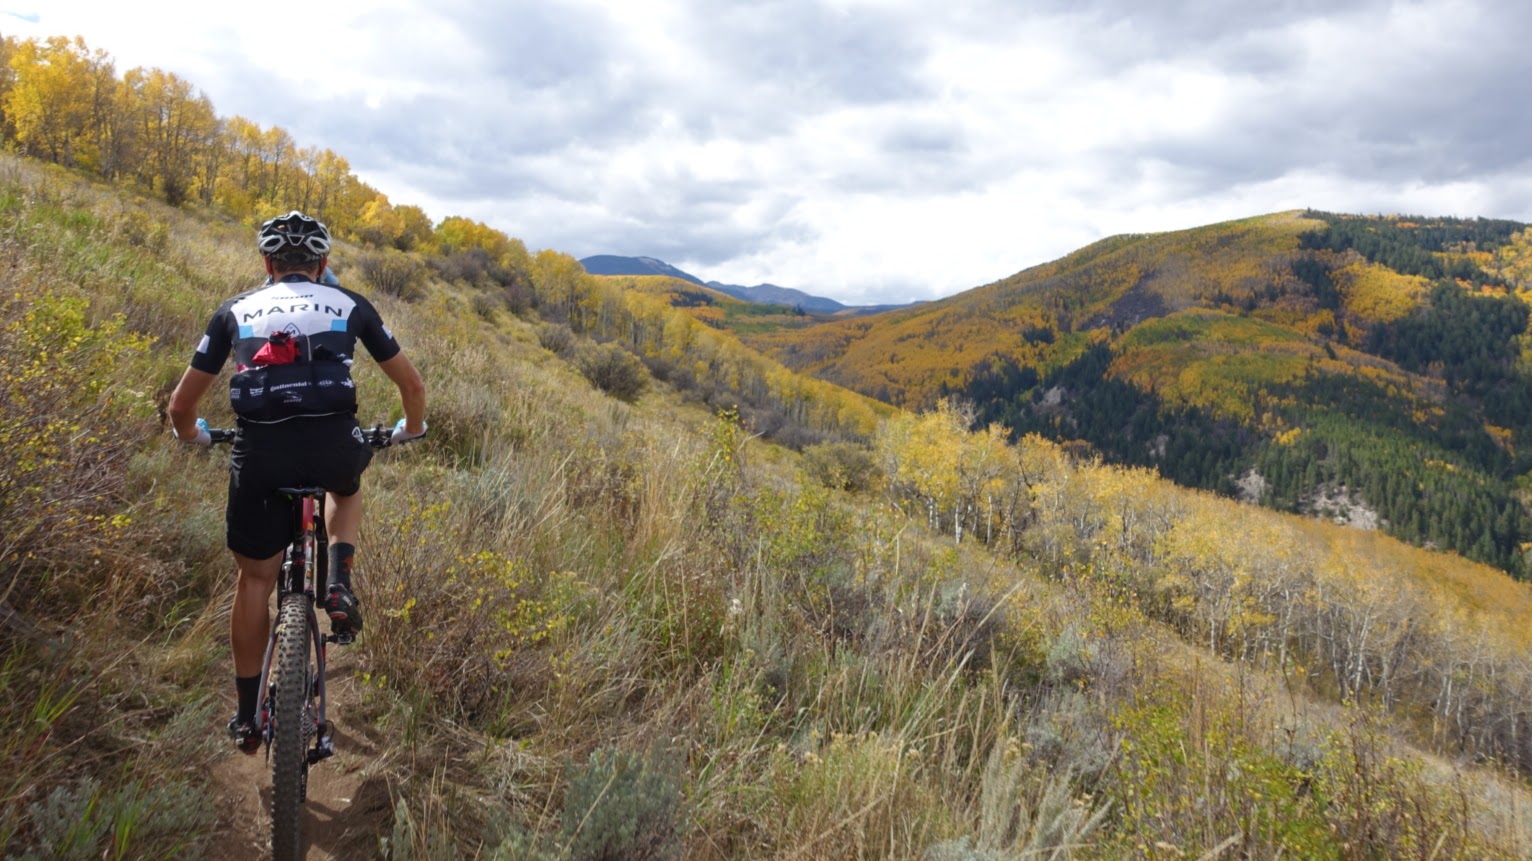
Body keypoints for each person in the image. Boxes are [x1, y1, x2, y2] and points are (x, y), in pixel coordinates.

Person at [167, 211, 427, 753]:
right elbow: (411, 384)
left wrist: (193, 435)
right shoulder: (351, 304)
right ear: (323, 263)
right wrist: (413, 428)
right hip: (334, 443)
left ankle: (246, 716)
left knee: (255, 580)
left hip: (260, 453)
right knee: (346, 487)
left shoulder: (234, 310)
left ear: (266, 263)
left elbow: (181, 406)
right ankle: (338, 579)